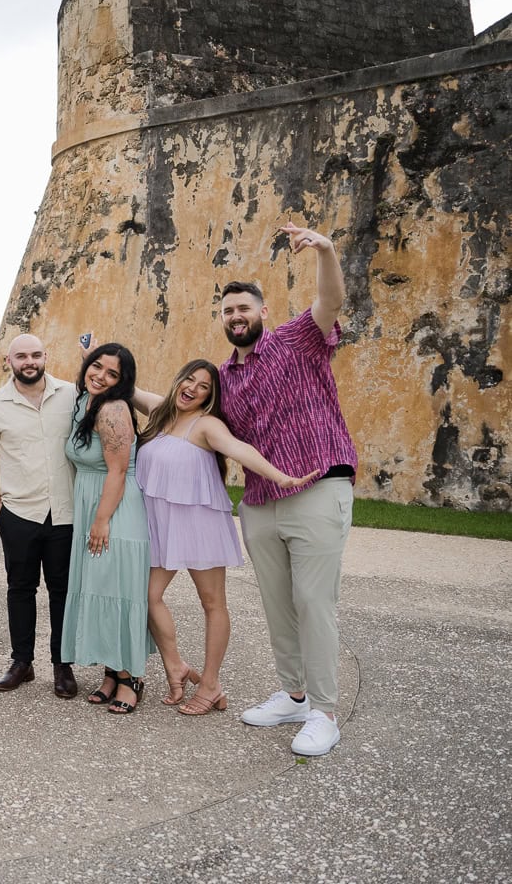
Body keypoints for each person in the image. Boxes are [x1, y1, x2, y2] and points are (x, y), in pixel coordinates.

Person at [213, 222, 357, 757]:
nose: (236, 316)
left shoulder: (297, 339)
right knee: (278, 603)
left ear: (262, 311)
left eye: (243, 308)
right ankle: (294, 695)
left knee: (314, 601)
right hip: (259, 503)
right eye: (227, 311)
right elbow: (178, 407)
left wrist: (325, 250)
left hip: (319, 485)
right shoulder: (224, 378)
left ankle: (324, 712)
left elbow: (331, 299)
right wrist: (124, 387)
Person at [136, 359, 320, 716]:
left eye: (204, 386)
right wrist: (91, 358)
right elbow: (128, 387)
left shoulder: (207, 425)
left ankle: (210, 684)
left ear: (210, 396)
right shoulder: (160, 412)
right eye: (189, 379)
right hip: (162, 524)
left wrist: (280, 477)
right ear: (179, 380)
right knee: (147, 595)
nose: (193, 388)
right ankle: (176, 668)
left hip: (199, 522)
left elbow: (240, 450)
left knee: (213, 603)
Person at [0, 334, 80, 699]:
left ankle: (62, 665)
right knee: (20, 588)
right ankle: (22, 662)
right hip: (18, 511)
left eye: (36, 354)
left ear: (46, 356)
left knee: (62, 591)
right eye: (22, 356)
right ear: (9, 361)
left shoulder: (70, 395)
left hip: (65, 511)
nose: (29, 361)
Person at [60, 343, 154, 715]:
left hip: (114, 507)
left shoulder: (114, 408)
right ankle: (112, 673)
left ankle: (131, 679)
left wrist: (101, 520)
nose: (100, 376)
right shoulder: (85, 400)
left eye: (112, 374)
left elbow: (117, 470)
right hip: (93, 500)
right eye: (96, 366)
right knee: (100, 585)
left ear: (123, 382)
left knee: (118, 589)